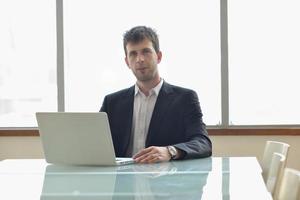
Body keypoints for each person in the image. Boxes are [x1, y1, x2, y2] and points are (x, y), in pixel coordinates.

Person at [100, 26, 212, 164]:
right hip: (121, 180)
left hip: (164, 179)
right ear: (127, 62)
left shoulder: (185, 98)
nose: (139, 59)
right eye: (133, 54)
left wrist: (170, 151)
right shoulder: (112, 102)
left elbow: (203, 143)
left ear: (158, 57)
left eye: (146, 52)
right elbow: (95, 144)